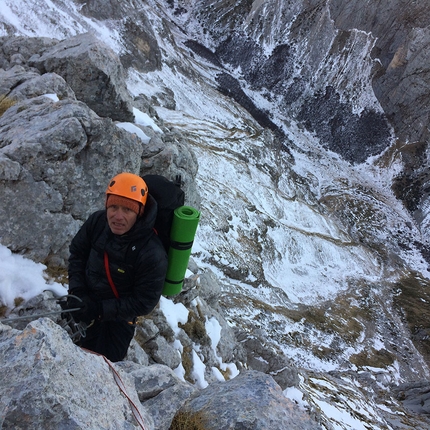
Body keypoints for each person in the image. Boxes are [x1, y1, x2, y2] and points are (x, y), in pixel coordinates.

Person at [66, 172, 168, 362]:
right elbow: (77, 254)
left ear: (139, 213)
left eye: (127, 210)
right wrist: (78, 291)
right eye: (113, 207)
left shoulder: (152, 253)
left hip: (118, 321)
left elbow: (144, 301)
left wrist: (99, 309)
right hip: (85, 304)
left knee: (105, 368)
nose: (118, 216)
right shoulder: (97, 223)